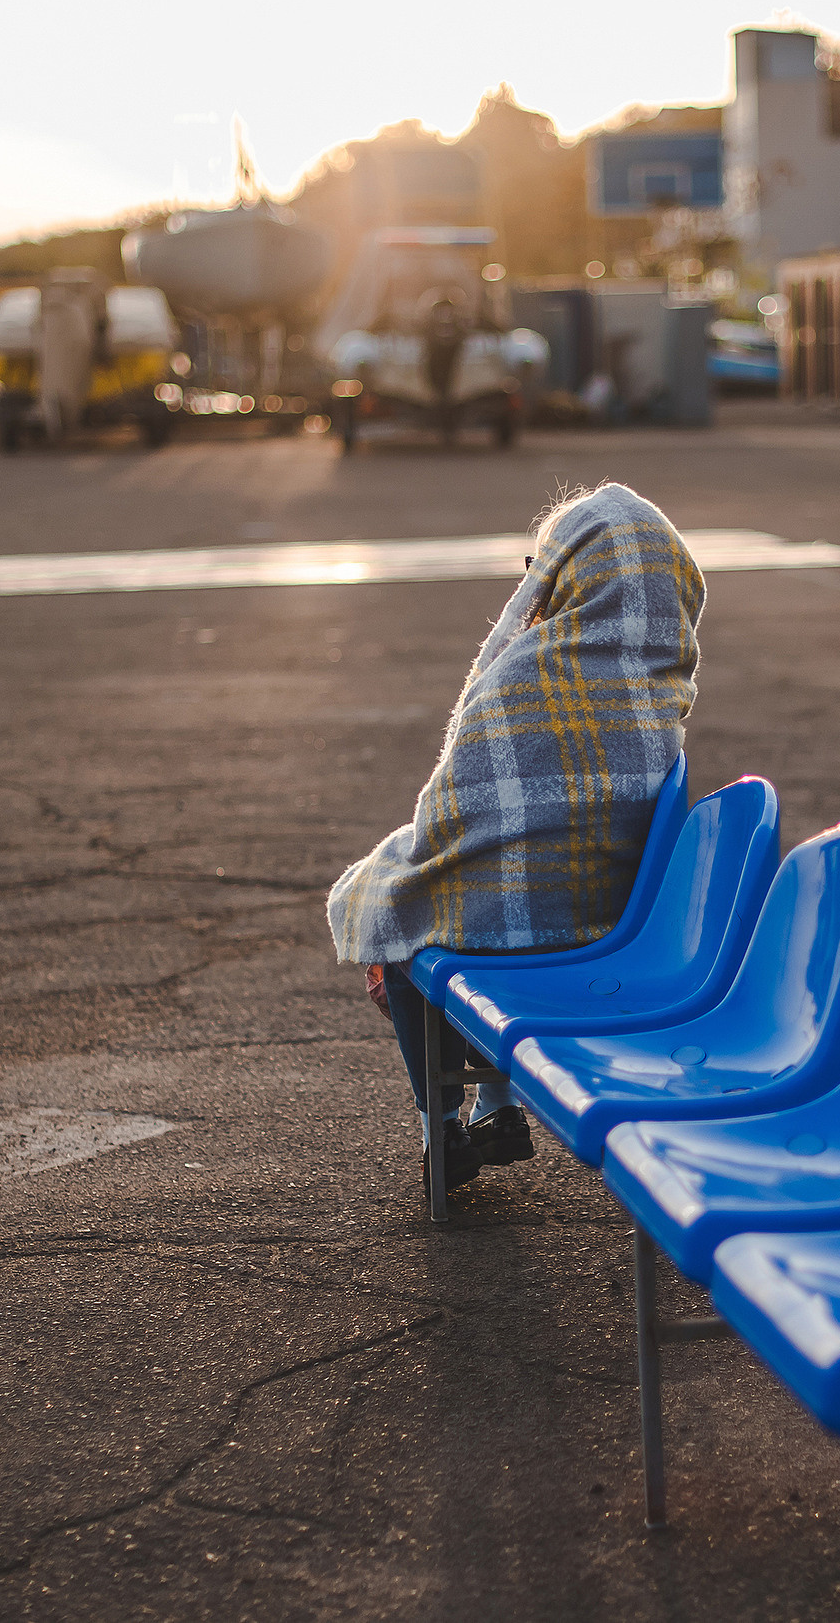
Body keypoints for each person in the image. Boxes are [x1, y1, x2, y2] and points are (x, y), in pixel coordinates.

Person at [327, 483, 705, 1193]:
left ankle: (440, 1126)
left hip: (531, 937)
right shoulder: (660, 694)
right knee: (481, 897)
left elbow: (449, 828)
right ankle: (497, 1104)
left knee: (399, 914)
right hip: (612, 929)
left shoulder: (523, 677)